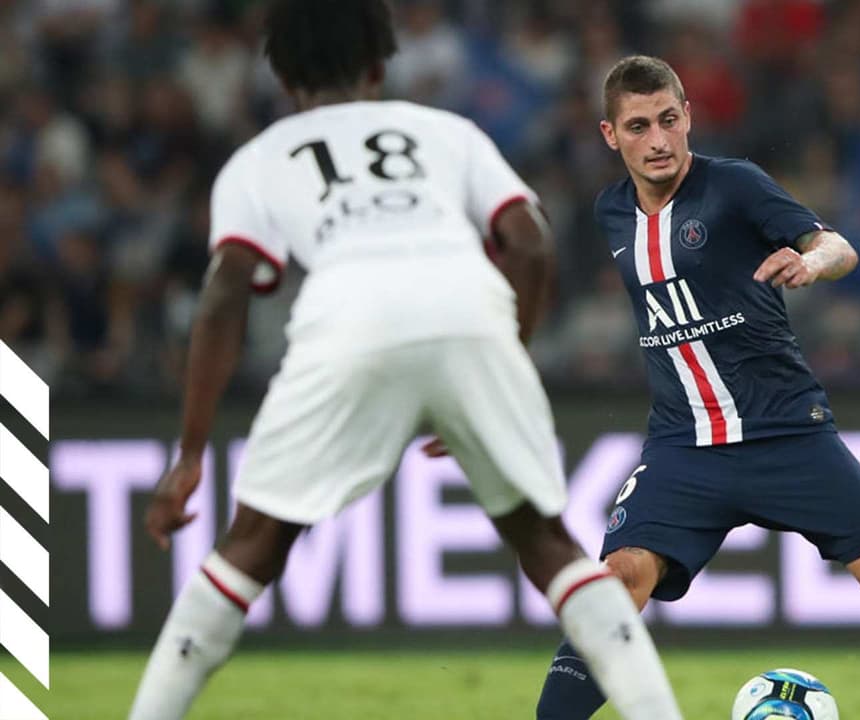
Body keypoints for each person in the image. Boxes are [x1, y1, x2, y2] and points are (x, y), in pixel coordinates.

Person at [127, 3, 682, 719]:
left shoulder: (258, 160)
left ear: (285, 80)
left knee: (251, 547)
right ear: (378, 66)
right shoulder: (445, 132)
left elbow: (225, 294)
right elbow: (532, 242)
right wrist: (501, 364)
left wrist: (190, 453)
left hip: (346, 318)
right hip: (470, 309)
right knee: (549, 545)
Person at [534, 55, 860, 720]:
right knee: (616, 582)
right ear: (610, 135)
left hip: (786, 431)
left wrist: (812, 262)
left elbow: (838, 246)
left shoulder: (733, 185)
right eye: (639, 126)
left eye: (669, 120)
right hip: (684, 447)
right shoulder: (612, 211)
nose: (658, 140)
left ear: (688, 117)